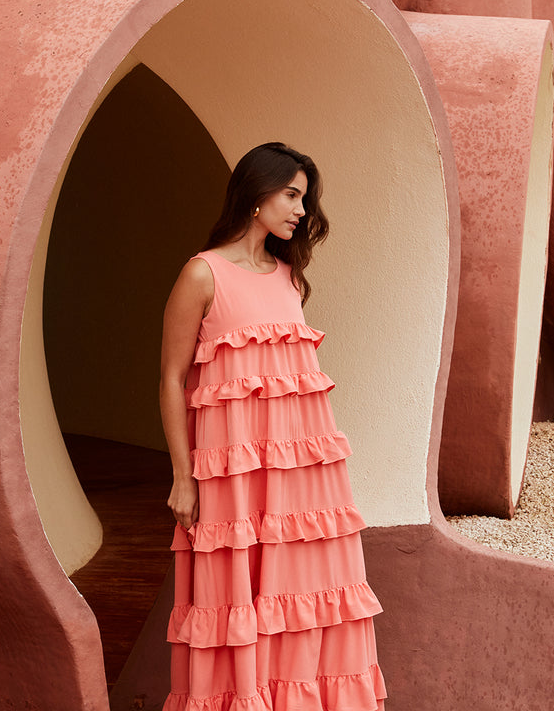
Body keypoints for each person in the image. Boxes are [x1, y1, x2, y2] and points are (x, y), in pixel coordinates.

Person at [160, 141, 386, 711]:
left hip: (303, 478)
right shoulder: (202, 274)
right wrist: (183, 477)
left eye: (303, 199)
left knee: (307, 595)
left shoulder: (289, 277)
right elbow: (171, 380)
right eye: (291, 195)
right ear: (255, 194)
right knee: (236, 596)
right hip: (234, 474)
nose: (300, 211)